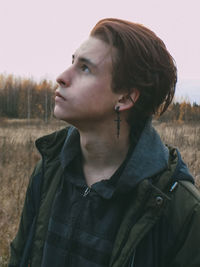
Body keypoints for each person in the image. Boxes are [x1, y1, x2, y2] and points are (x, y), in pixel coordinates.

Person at [9, 18, 200, 267]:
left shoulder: (180, 209)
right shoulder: (49, 170)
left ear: (125, 97)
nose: (61, 77)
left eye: (85, 68)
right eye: (72, 62)